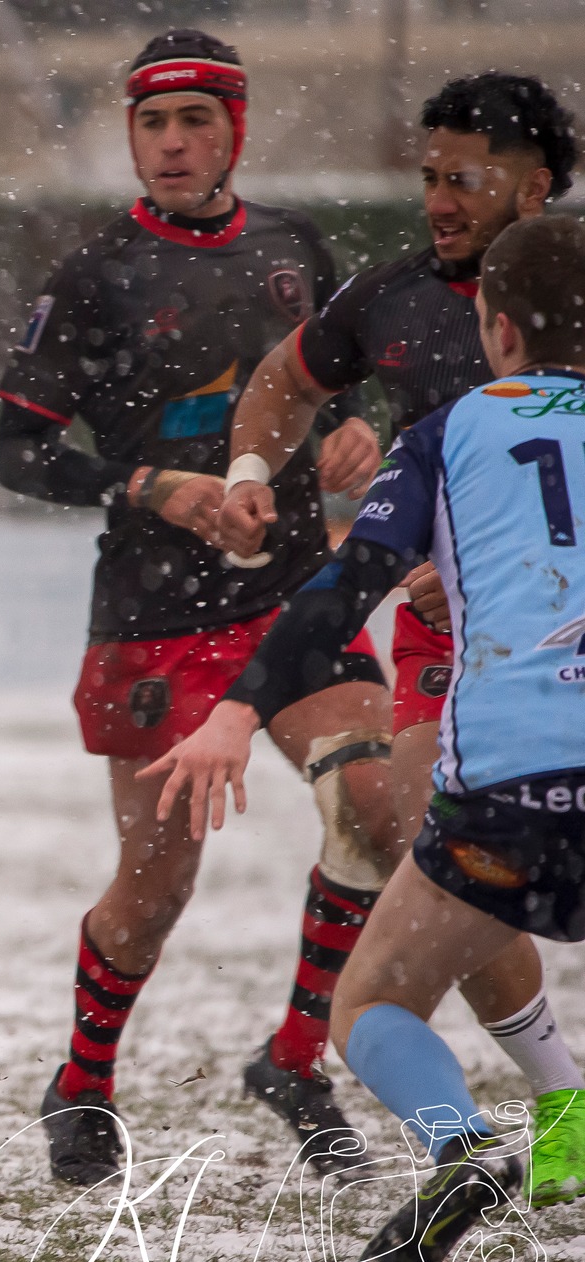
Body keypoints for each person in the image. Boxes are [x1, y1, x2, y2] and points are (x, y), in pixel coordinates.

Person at [0, 29, 403, 1186]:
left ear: (236, 129)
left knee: (372, 810)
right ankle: (80, 1080)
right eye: (151, 124)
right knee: (154, 890)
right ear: (131, 135)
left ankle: (294, 1058)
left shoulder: (294, 247)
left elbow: (341, 388)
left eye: (194, 122)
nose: (171, 145)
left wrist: (350, 433)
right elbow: (14, 449)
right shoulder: (87, 276)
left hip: (290, 598)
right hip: (152, 616)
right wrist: (146, 486)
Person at [144, 214, 585, 1262]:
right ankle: (565, 1119)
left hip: (507, 793)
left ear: (491, 327)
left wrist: (240, 710)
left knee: (372, 1007)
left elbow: (334, 597)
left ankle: (463, 1145)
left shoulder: (441, 433)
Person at [215, 72, 585, 1191]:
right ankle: (555, 1090)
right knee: (420, 831)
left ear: (535, 184)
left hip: (522, 633)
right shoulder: (390, 298)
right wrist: (250, 470)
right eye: (424, 175)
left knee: (456, 848)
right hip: (452, 645)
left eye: (460, 177)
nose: (435, 197)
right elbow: (282, 384)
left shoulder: (552, 303)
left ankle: (520, 1095)